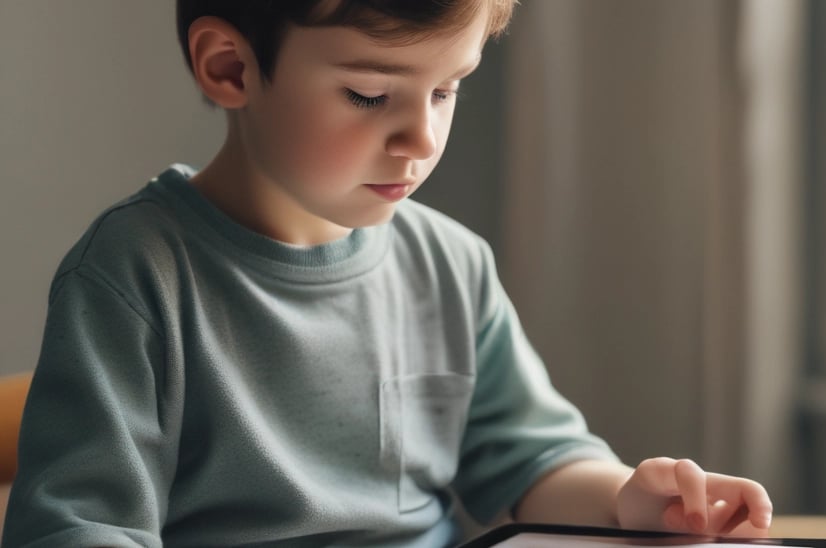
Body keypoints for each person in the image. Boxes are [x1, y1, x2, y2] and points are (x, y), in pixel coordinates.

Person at [2, 1, 772, 546]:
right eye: (370, 95)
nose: (421, 137)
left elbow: (535, 460)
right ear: (231, 68)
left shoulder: (450, 265)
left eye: (445, 90)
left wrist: (629, 498)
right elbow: (81, 526)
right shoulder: (134, 276)